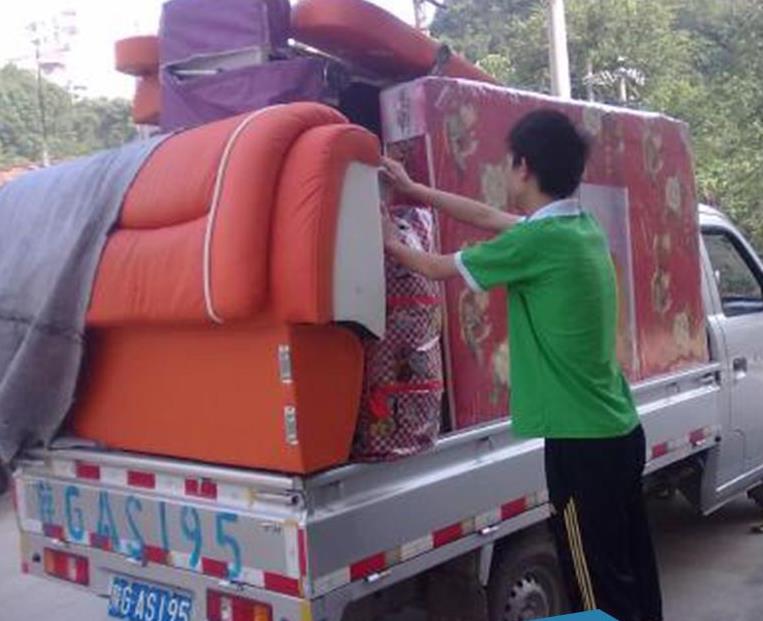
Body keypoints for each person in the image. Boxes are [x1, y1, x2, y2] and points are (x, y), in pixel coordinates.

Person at [381, 108, 663, 621]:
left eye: (508, 163)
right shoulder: (579, 228)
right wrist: (414, 190)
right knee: (629, 569)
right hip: (618, 431)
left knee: (591, 587)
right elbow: (487, 217)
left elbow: (434, 267)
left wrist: (386, 238)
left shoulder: (535, 242)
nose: (506, 173)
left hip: (580, 445)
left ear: (524, 167)